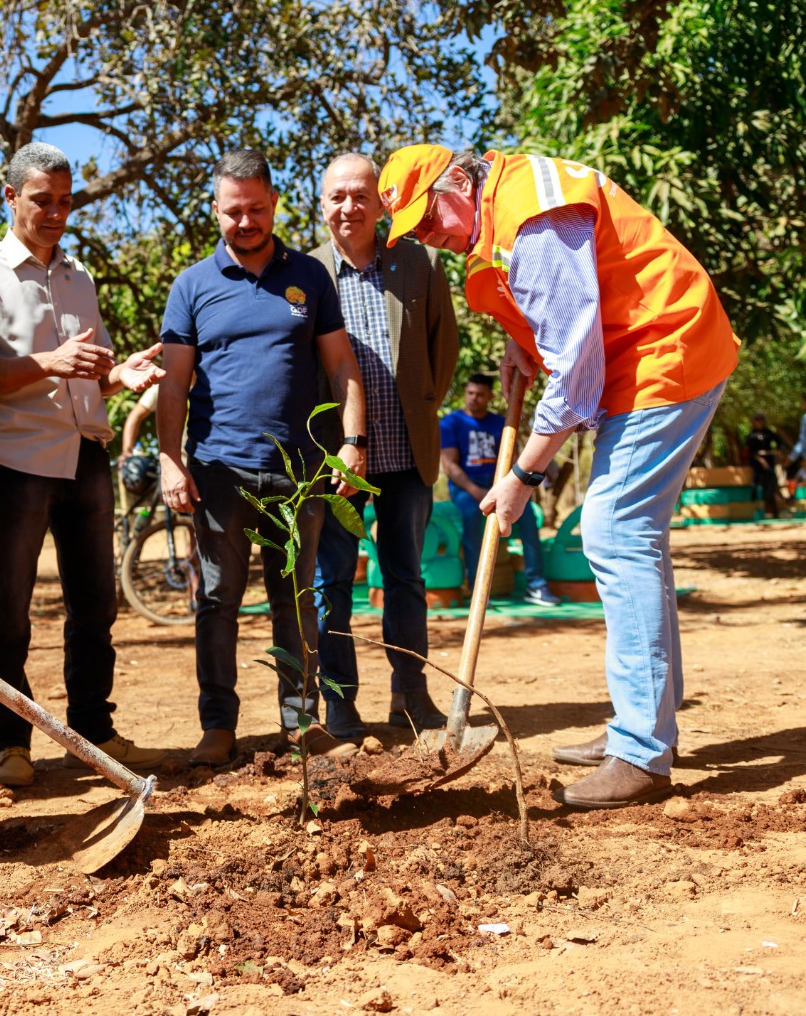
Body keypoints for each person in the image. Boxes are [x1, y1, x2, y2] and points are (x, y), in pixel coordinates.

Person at [377, 144, 738, 809]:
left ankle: (642, 752)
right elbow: (558, 309)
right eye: (417, 234)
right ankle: (640, 729)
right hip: (640, 357)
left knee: (614, 532)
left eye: (429, 222)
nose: (429, 240)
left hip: (668, 348)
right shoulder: (499, 212)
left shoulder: (530, 219)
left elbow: (575, 374)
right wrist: (521, 338)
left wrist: (521, 475)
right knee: (629, 539)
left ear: (458, 182)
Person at [0, 142, 168, 788]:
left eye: (66, 202)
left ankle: (93, 732)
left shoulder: (79, 278)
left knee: (96, 606)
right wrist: (47, 362)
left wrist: (119, 376)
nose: (56, 213)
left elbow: (84, 375)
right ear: (8, 198)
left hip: (86, 458)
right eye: (43, 200)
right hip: (15, 463)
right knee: (7, 614)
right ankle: (11, 744)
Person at [158, 149, 368, 767]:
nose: (245, 221)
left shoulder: (310, 277)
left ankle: (301, 722)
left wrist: (352, 444)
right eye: (233, 211)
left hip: (299, 472)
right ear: (215, 212)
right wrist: (170, 458)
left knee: (295, 597)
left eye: (256, 208)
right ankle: (217, 727)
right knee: (217, 600)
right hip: (218, 473)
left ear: (274, 203)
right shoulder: (192, 286)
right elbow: (174, 384)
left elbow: (341, 366)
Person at [306, 153, 461, 739]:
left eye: (359, 196)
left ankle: (411, 696)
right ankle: (340, 705)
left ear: (381, 203)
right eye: (336, 197)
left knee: (406, 579)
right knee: (333, 581)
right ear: (322, 204)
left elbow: (441, 349)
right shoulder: (305, 274)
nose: (348, 208)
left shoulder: (417, 263)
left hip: (408, 457)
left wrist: (418, 406)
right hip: (337, 461)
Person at [439, 373, 563, 607]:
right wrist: (476, 492)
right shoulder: (450, 423)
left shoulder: (500, 423)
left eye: (480, 395)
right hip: (467, 486)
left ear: (490, 397)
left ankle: (536, 585)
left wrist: (504, 489)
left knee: (527, 517)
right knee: (472, 517)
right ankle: (478, 589)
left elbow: (512, 460)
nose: (474, 398)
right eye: (470, 393)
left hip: (499, 482)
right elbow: (450, 466)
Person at [743, 412, 785, 518]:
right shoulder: (751, 436)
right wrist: (761, 460)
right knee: (755, 484)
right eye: (757, 420)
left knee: (771, 485)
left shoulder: (769, 433)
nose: (759, 422)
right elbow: (750, 451)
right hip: (756, 462)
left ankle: (774, 511)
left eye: (761, 420)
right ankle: (754, 511)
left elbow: (781, 444)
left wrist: (779, 454)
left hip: (769, 462)